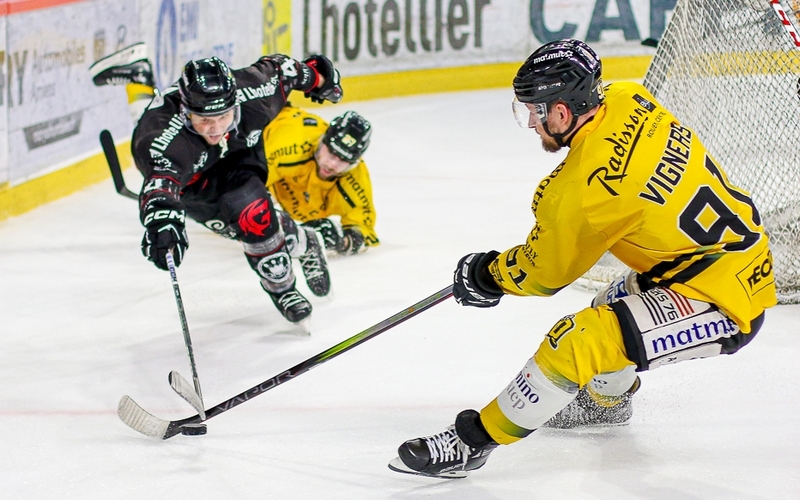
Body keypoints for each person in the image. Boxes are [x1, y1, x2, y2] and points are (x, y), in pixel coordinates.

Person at [388, 38, 777, 478]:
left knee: (576, 341)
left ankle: (472, 443)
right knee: (609, 307)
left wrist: (488, 274)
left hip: (724, 301)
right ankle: (608, 404)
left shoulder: (582, 192)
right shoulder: (630, 97)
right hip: (724, 256)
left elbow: (544, 275)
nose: (532, 123)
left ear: (561, 112)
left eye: (535, 111)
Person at [89, 43, 344, 325]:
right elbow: (161, 183)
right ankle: (305, 241)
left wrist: (321, 79)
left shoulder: (256, 91)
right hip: (194, 182)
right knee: (239, 228)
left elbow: (289, 71)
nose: (216, 128)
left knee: (253, 218)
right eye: (204, 120)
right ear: (186, 111)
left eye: (224, 116)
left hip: (238, 157)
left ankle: (284, 290)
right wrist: (162, 220)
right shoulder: (163, 140)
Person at [263, 105, 379, 258]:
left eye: (343, 160)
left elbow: (364, 227)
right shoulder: (289, 148)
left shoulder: (354, 177)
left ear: (354, 163)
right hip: (264, 124)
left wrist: (342, 241)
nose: (332, 164)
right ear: (322, 140)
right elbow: (247, 181)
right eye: (331, 153)